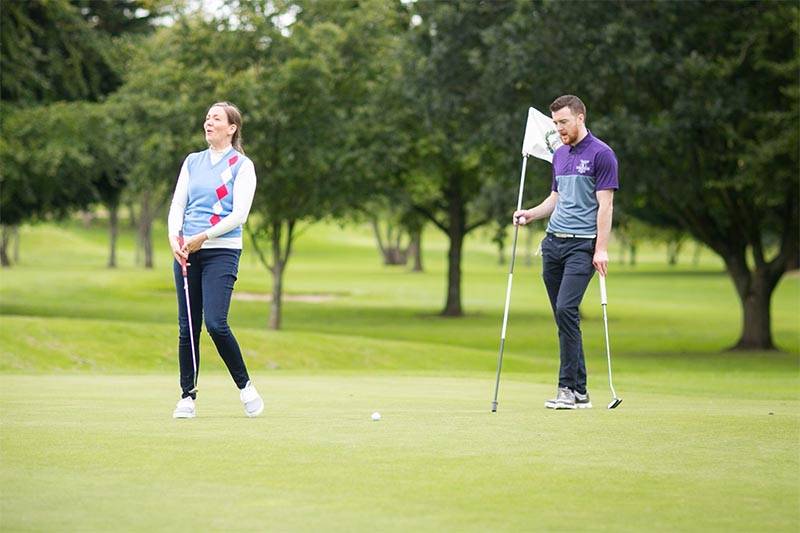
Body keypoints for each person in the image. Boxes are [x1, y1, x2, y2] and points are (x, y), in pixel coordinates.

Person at [514, 95, 618, 410]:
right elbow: (555, 199)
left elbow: (606, 205)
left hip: (582, 245)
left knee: (566, 310)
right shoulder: (560, 155)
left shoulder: (602, 155)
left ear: (580, 118)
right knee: (565, 318)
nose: (559, 128)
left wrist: (600, 249)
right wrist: (530, 213)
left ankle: (566, 389)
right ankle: (581, 392)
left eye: (564, 122)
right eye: (556, 122)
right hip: (553, 243)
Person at [167, 101, 263, 419]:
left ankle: (245, 386)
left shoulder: (241, 165)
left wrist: (203, 237)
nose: (208, 122)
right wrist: (175, 240)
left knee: (216, 324)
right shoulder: (193, 162)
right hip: (187, 252)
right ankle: (187, 397)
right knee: (188, 327)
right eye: (207, 117)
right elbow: (179, 204)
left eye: (216, 118)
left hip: (221, 251)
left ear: (231, 128)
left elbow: (239, 214)